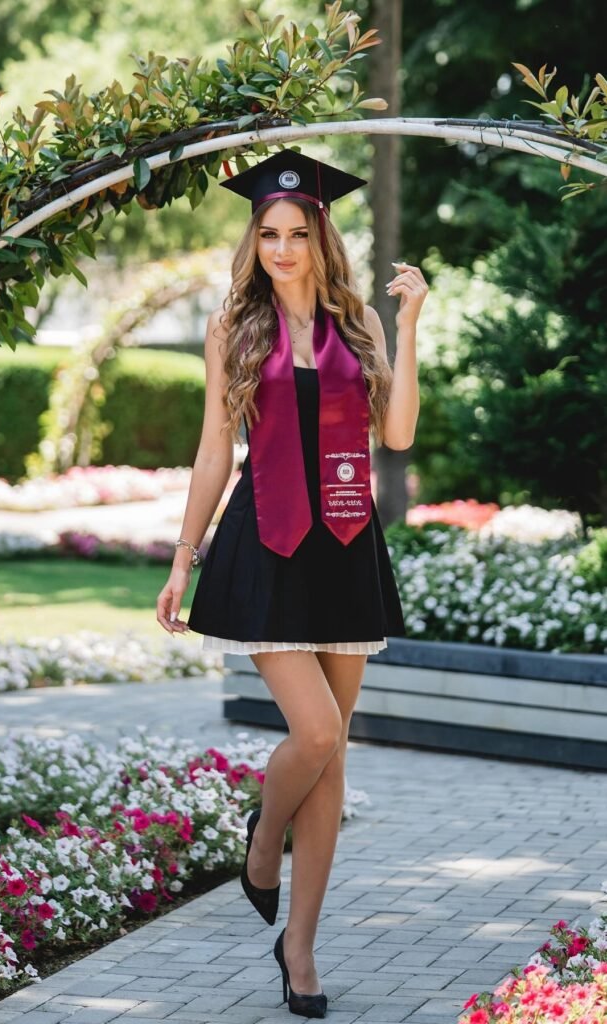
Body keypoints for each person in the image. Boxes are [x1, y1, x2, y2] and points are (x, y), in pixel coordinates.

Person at [156, 147, 427, 1018]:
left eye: (295, 233)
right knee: (313, 736)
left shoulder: (358, 327)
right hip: (265, 544)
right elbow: (211, 448)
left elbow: (396, 436)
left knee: (333, 757)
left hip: (346, 546)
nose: (280, 247)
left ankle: (299, 950)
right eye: (267, 233)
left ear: (319, 236)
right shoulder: (234, 328)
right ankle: (262, 838)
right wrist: (182, 555)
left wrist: (411, 324)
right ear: (256, 238)